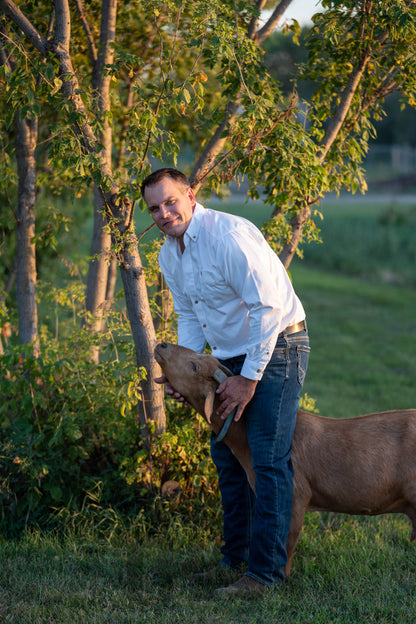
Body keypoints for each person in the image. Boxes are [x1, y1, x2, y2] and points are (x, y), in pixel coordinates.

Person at [141, 168, 310, 596]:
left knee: (267, 459)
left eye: (170, 202)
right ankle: (234, 559)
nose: (163, 213)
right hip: (228, 354)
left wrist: (249, 380)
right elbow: (189, 316)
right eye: (154, 208)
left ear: (191, 195)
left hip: (278, 346)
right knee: (229, 458)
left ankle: (265, 575)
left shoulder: (228, 237)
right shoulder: (168, 255)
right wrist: (186, 372)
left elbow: (268, 309)